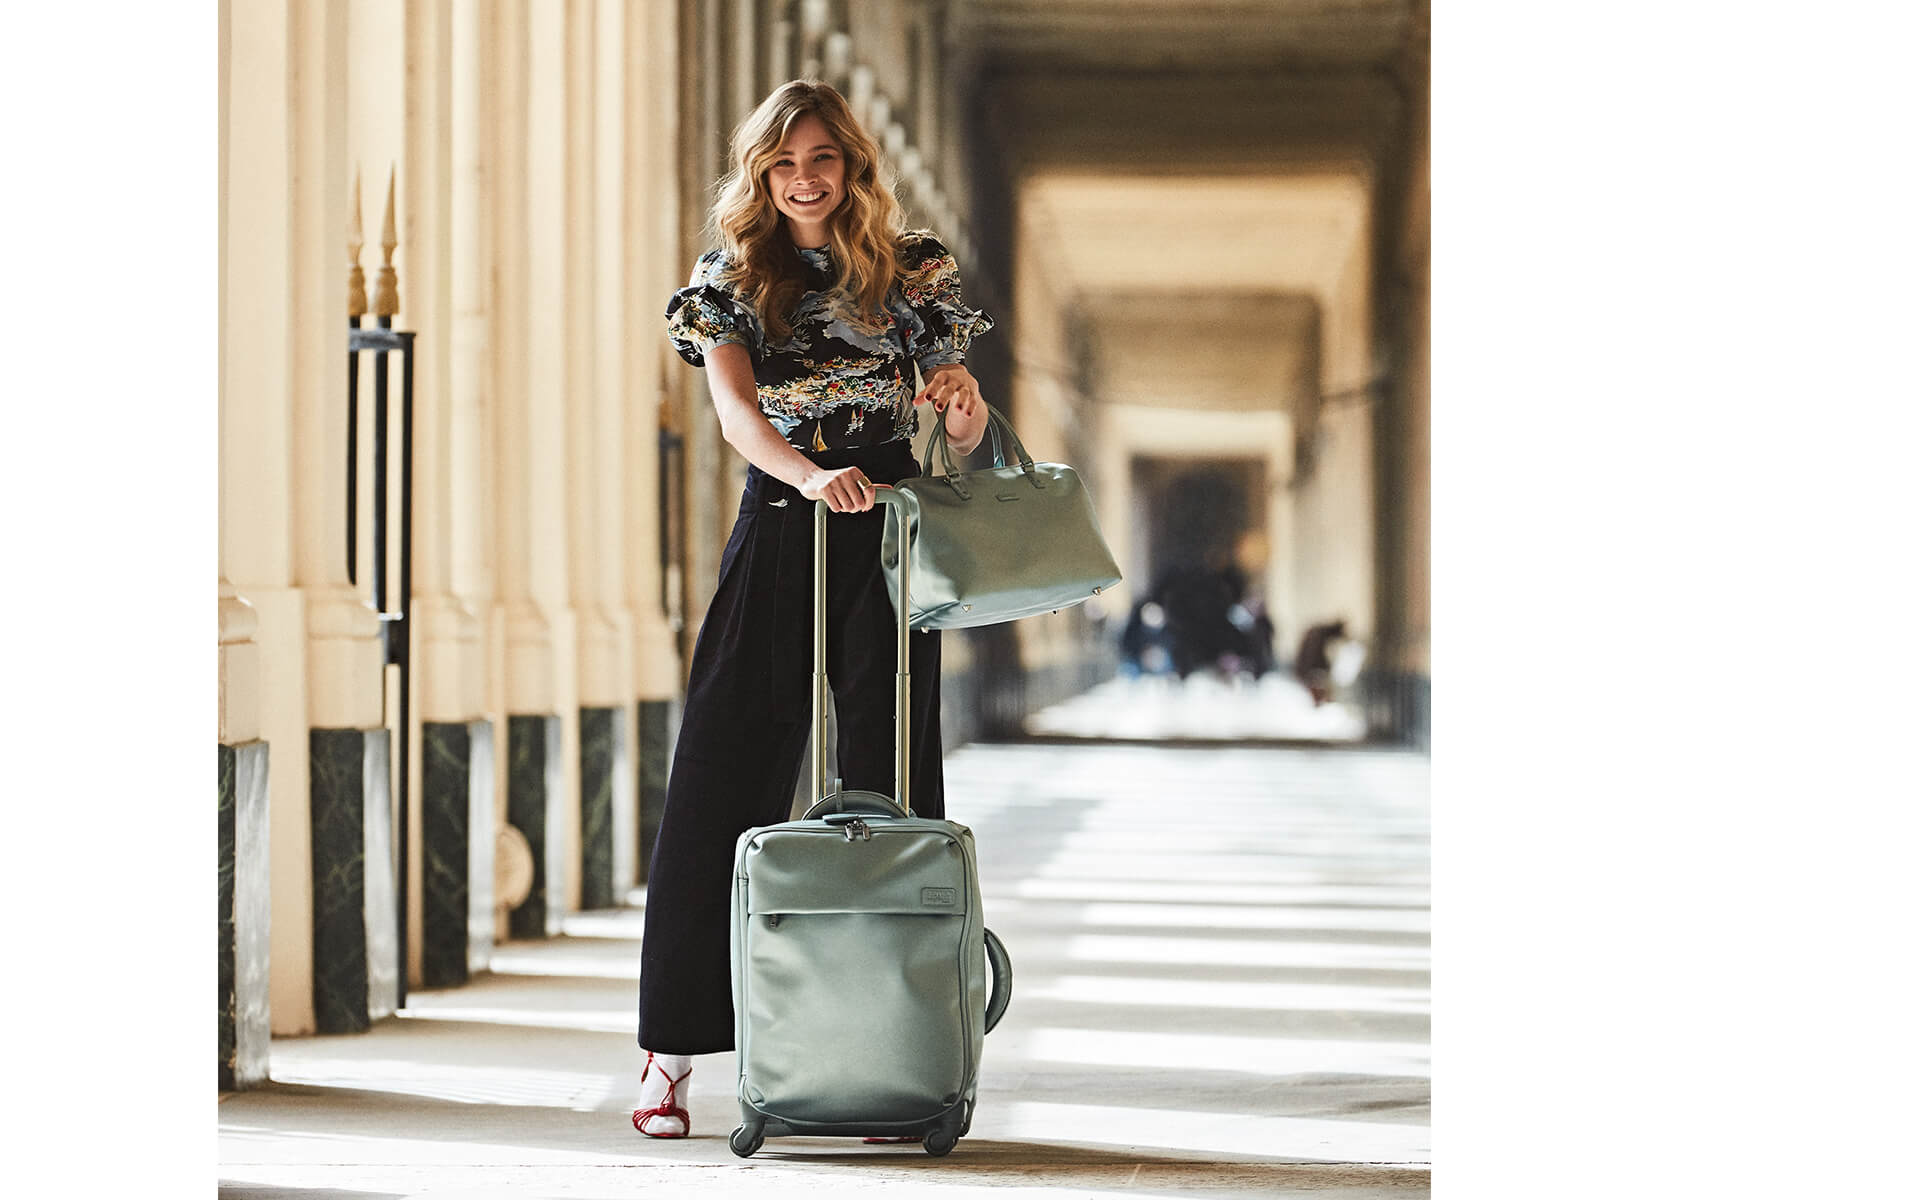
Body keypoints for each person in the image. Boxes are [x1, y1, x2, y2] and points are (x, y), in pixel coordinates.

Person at [631, 79, 994, 1139]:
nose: (804, 180)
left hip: (887, 527)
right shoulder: (731, 277)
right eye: (784, 163)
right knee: (721, 771)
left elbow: (958, 416)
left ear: (853, 166)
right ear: (760, 171)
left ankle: (895, 1044)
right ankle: (669, 1052)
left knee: (891, 781)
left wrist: (961, 411)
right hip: (786, 520)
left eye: (822, 160)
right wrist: (803, 476)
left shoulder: (912, 267)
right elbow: (737, 414)